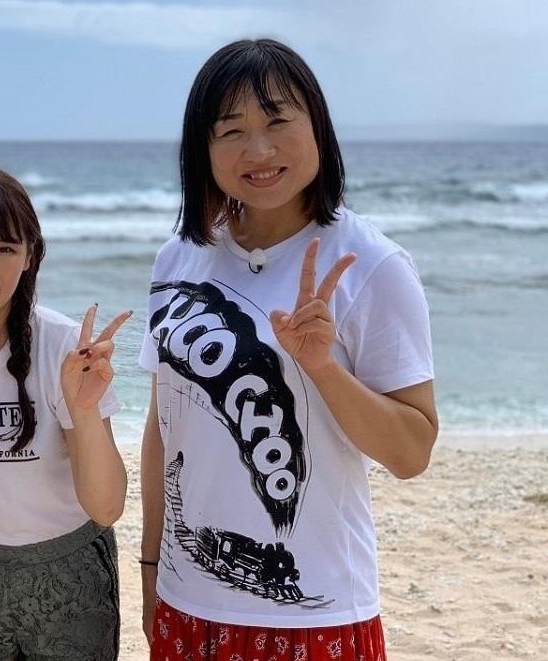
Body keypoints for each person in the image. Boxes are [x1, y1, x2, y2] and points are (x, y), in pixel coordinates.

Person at [139, 39, 438, 660]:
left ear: (318, 129)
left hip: (318, 612)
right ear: (203, 147)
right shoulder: (179, 258)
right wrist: (150, 564)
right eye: (231, 130)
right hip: (186, 602)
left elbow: (411, 452)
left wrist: (323, 367)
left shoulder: (372, 265)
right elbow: (163, 428)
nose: (259, 150)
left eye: (278, 121)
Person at [0, 167, 131, 660]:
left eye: (6, 249)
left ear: (30, 255)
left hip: (70, 577)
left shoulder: (62, 347)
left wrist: (84, 405)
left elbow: (107, 507)